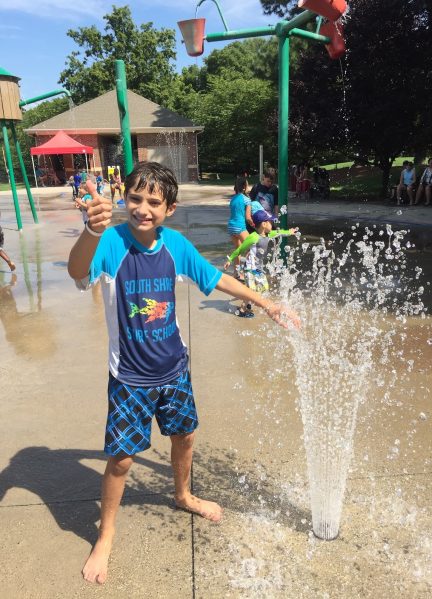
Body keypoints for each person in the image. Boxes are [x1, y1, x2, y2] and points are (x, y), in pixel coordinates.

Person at [67, 161, 300, 585]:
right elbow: (77, 271)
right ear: (124, 199)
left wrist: (267, 304)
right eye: (135, 198)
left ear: (169, 209)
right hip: (129, 378)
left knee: (185, 436)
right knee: (120, 461)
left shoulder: (175, 245)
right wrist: (91, 231)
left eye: (154, 202)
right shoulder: (111, 243)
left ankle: (183, 494)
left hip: (174, 370)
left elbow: (217, 279)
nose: (143, 208)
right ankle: (106, 534)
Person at [224, 209, 298, 318]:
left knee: (264, 287)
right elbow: (240, 249)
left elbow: (279, 233)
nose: (272, 224)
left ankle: (248, 302)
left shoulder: (268, 235)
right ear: (264, 224)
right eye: (270, 222)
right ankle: (242, 310)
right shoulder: (253, 237)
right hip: (250, 268)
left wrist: (289, 232)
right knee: (252, 290)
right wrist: (229, 260)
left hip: (258, 268)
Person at [227, 177, 251, 280]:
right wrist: (254, 224)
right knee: (253, 247)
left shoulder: (233, 199)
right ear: (244, 187)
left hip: (231, 227)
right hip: (240, 227)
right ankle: (249, 271)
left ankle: (236, 273)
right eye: (248, 184)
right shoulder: (247, 200)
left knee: (238, 249)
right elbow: (248, 217)